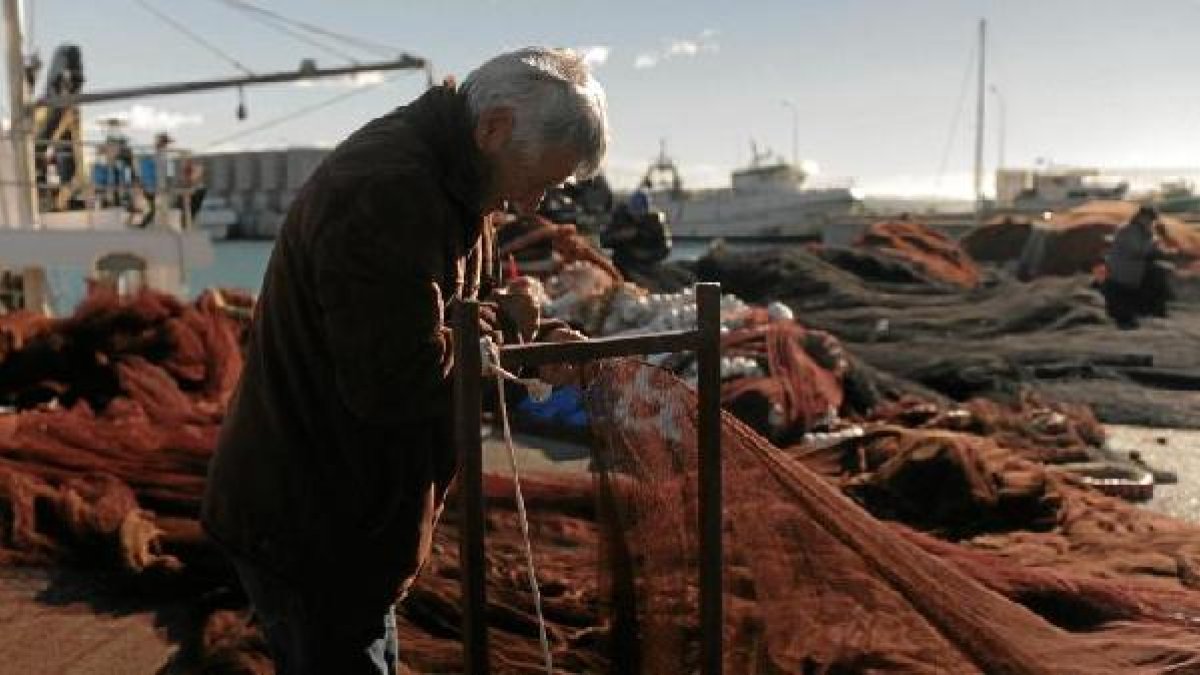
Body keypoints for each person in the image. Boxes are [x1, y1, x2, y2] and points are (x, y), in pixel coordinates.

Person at [201, 47, 608, 675]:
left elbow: (456, 309)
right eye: (537, 182)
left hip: (356, 518)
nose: (534, 204)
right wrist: (504, 333)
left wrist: (535, 335)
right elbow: (391, 380)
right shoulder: (388, 191)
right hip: (312, 522)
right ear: (495, 126)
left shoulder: (460, 178)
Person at [1101, 205, 1177, 329]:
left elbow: (1152, 249)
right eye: (1149, 219)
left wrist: (1164, 249)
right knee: (1157, 272)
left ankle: (1155, 308)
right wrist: (1154, 243)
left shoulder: (1144, 232)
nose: (1151, 222)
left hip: (1136, 267)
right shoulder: (1128, 230)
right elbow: (1137, 251)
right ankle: (1150, 310)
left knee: (1164, 270)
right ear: (1141, 217)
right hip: (1125, 269)